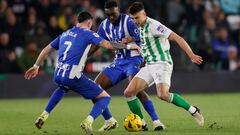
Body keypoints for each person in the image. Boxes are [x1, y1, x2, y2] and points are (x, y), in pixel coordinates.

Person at [24, 11, 140, 135]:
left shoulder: (65, 33)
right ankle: (88, 121)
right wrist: (128, 47)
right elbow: (108, 45)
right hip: (73, 75)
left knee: (63, 88)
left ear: (77, 21)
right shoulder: (88, 33)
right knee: (105, 97)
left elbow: (46, 49)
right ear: (89, 22)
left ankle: (43, 116)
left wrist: (36, 66)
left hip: (58, 74)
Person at [124, 2, 204, 127]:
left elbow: (178, 38)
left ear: (144, 14)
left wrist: (191, 55)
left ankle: (193, 110)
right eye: (132, 18)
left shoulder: (154, 25)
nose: (134, 21)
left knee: (163, 95)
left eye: (137, 18)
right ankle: (141, 123)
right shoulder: (140, 27)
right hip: (149, 65)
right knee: (128, 92)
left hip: (162, 63)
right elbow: (148, 45)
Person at [89, 0, 164, 131]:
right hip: (118, 62)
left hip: (134, 59)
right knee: (95, 88)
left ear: (118, 10)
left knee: (135, 89)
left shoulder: (128, 21)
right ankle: (110, 121)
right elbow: (97, 43)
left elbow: (144, 37)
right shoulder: (104, 25)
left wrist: (144, 57)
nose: (111, 17)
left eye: (113, 14)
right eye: (108, 15)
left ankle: (156, 121)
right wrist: (85, 57)